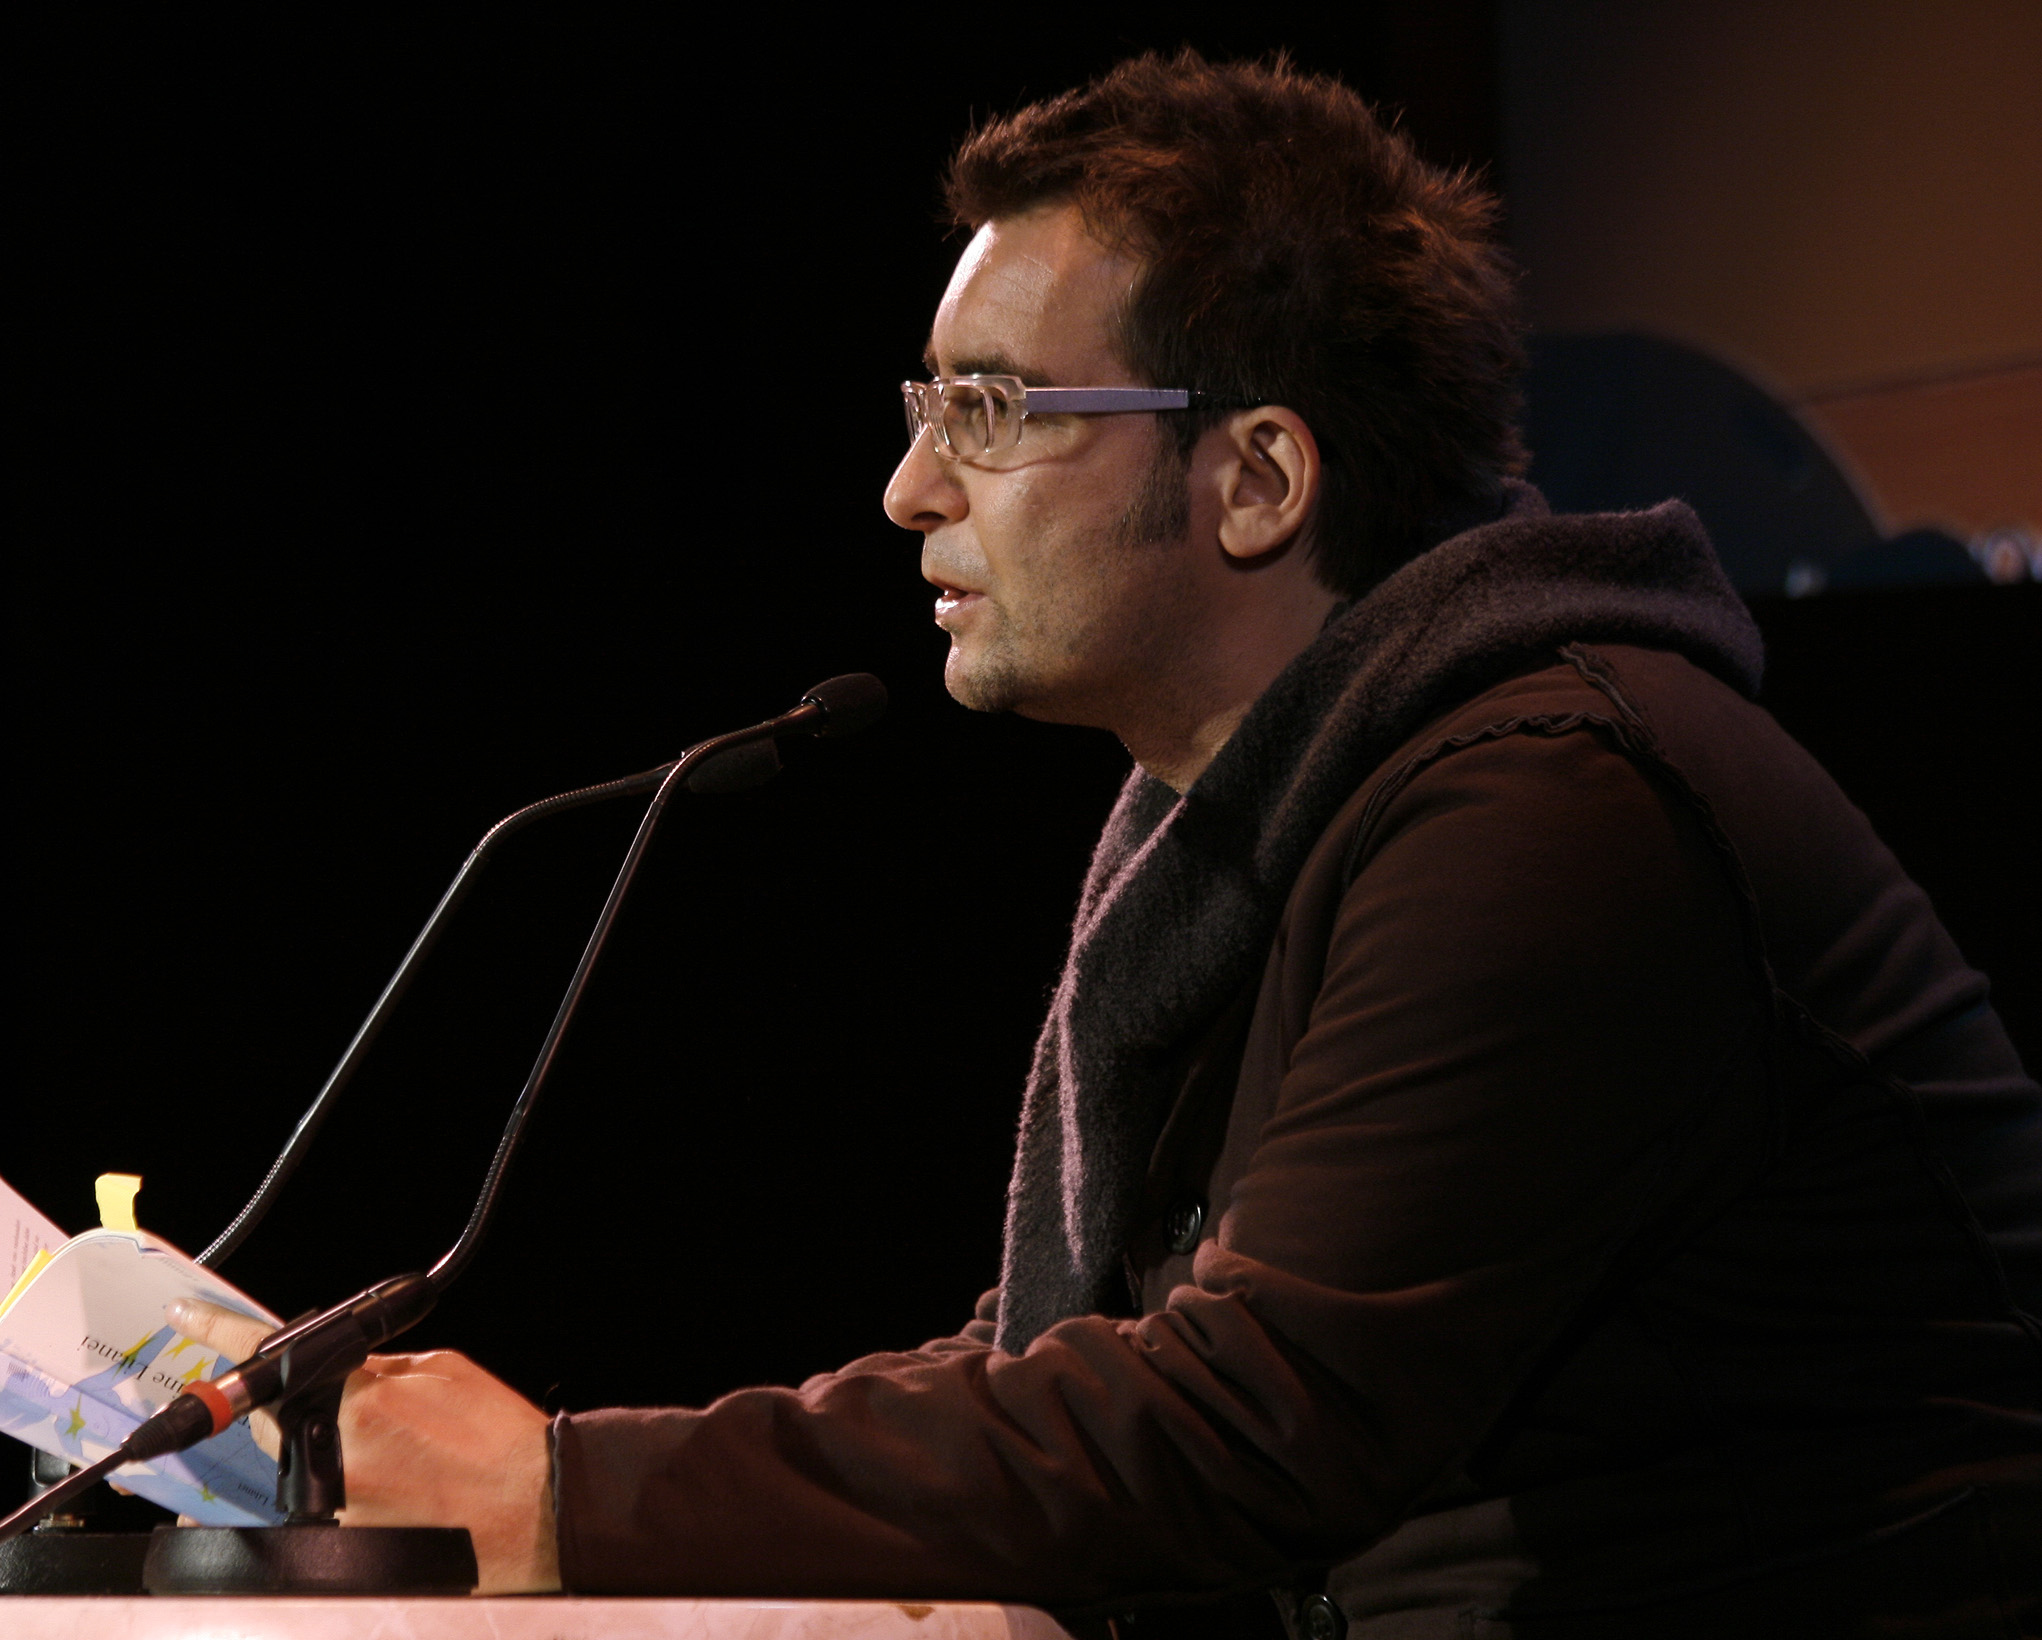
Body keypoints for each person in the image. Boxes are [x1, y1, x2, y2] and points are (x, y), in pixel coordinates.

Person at [172, 53, 2042, 1636]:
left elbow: (1245, 1420)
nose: (908, 486)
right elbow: (1078, 1362)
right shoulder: (1260, 804)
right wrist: (580, 1483)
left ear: (1256, 478)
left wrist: (573, 1493)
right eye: (925, 407)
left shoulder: (1546, 806)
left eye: (988, 409)